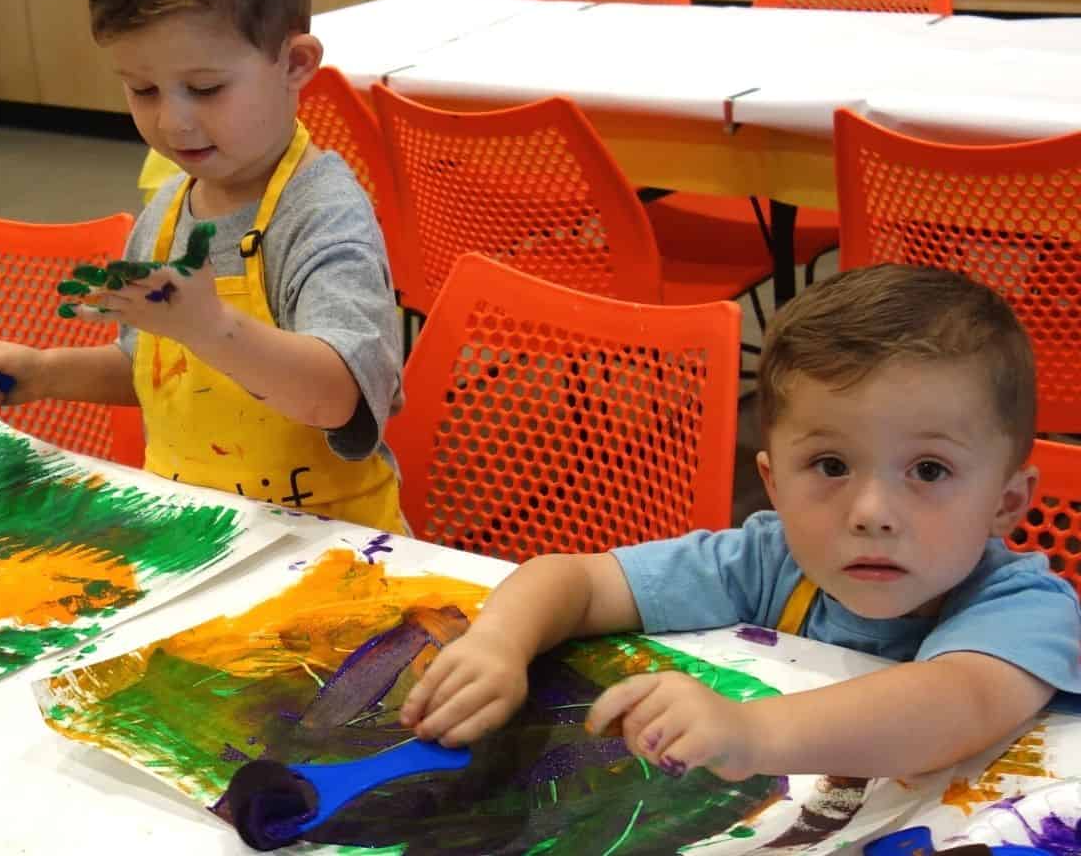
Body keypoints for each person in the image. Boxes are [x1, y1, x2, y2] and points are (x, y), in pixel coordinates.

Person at [400, 264, 1081, 780]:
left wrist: (752, 733)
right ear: (773, 484)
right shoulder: (769, 560)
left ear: (1006, 503)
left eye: (929, 470)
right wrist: (499, 642)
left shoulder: (1026, 607)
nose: (871, 513)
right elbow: (578, 580)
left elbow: (949, 708)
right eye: (831, 465)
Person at [0, 0, 406, 533]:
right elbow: (155, 371)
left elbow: (339, 394)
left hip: (332, 546)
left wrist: (209, 326)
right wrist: (45, 373)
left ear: (294, 64)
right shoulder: (167, 213)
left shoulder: (322, 213)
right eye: (143, 89)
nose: (173, 122)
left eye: (206, 88)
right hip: (200, 534)